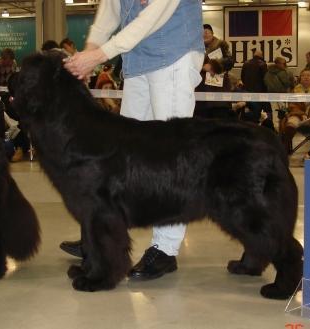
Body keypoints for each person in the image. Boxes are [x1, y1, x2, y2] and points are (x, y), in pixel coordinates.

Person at [63, 0, 204, 280]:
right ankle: (106, 233)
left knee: (170, 158)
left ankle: (165, 249)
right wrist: (91, 50)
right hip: (138, 61)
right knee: (122, 158)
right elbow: (112, 9)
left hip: (174, 56)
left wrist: (100, 54)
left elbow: (154, 14)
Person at [240, 50, 271, 122]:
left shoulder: (246, 63)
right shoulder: (262, 64)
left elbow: (242, 77)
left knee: (248, 110)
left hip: (247, 91)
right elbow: (265, 79)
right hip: (259, 92)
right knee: (257, 111)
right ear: (261, 56)